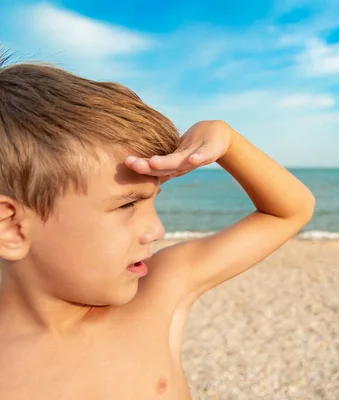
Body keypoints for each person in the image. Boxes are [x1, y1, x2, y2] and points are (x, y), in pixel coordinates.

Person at [0, 53, 315, 399]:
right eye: (128, 204)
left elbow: (288, 212)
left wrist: (227, 141)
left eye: (154, 200)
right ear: (11, 227)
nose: (156, 229)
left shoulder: (159, 292)